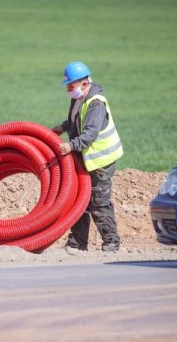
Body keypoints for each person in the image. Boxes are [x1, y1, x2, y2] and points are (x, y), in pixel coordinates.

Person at [52, 61, 124, 253]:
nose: (68, 88)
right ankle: (77, 243)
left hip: (101, 160)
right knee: (78, 199)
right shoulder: (78, 98)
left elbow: (90, 133)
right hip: (85, 158)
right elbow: (76, 120)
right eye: (67, 85)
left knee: (98, 201)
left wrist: (70, 146)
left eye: (71, 85)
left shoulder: (96, 103)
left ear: (84, 83)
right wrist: (64, 127)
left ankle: (111, 241)